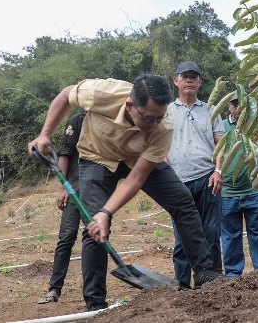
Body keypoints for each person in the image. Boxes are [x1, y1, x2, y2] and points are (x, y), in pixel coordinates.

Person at [28, 74, 222, 312]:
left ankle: (204, 271)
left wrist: (107, 211)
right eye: (148, 118)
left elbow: (136, 178)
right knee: (94, 227)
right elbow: (65, 95)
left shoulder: (164, 126)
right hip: (97, 157)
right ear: (130, 106)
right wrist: (45, 134)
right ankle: (95, 303)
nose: (154, 125)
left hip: (136, 159)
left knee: (183, 202)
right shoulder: (103, 93)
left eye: (159, 118)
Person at [166, 61, 224, 290]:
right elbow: (158, 145)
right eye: (185, 76)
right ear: (176, 80)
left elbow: (221, 144)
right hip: (177, 181)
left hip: (208, 178)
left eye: (193, 76)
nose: (189, 80)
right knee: (182, 238)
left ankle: (213, 283)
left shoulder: (210, 109)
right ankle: (182, 285)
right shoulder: (167, 111)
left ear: (200, 82)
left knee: (211, 233)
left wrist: (218, 170)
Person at [220, 93, 258, 277]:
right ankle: (233, 275)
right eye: (235, 105)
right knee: (230, 236)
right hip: (227, 192)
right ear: (229, 107)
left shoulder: (256, 127)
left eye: (243, 105)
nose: (239, 109)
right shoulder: (221, 127)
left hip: (254, 190)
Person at [37, 112, 86, 304]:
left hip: (96, 192)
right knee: (66, 238)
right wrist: (62, 187)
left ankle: (94, 294)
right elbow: (65, 154)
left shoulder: (108, 119)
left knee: (94, 240)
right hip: (73, 190)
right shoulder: (77, 120)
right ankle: (54, 289)